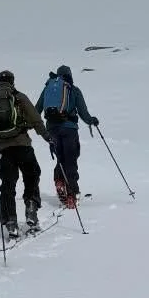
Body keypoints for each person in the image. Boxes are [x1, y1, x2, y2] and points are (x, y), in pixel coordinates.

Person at [0, 71, 51, 238]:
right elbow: (35, 119)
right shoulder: (18, 97)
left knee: (7, 184)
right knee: (32, 175)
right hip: (22, 145)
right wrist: (47, 137)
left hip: (1, 150)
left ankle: (10, 222)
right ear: (12, 82)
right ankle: (31, 207)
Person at [37, 65, 99, 208]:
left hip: (52, 129)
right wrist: (92, 120)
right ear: (70, 75)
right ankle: (72, 194)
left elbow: (37, 109)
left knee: (60, 158)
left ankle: (59, 180)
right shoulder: (73, 90)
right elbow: (83, 113)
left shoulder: (48, 88)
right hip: (69, 129)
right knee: (70, 158)